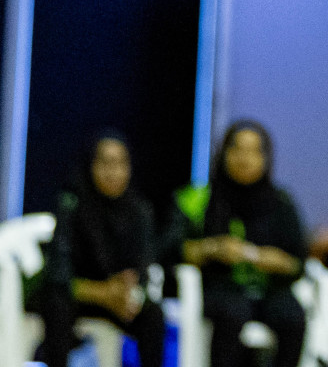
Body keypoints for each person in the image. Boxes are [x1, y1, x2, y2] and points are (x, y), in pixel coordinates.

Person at [168, 121, 307, 367]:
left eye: (254, 151)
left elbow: (298, 262)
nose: (245, 158)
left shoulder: (281, 203)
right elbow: (169, 250)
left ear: (265, 157)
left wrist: (262, 258)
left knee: (292, 316)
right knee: (233, 312)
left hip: (269, 290)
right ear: (224, 153)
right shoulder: (198, 199)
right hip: (220, 287)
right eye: (237, 149)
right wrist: (213, 248)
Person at [36, 132, 165, 367]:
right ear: (91, 165)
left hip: (118, 298)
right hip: (78, 295)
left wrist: (129, 292)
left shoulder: (140, 211)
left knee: (153, 315)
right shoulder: (71, 203)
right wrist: (103, 292)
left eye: (120, 164)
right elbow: (58, 275)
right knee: (56, 303)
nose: (113, 172)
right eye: (105, 163)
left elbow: (145, 268)